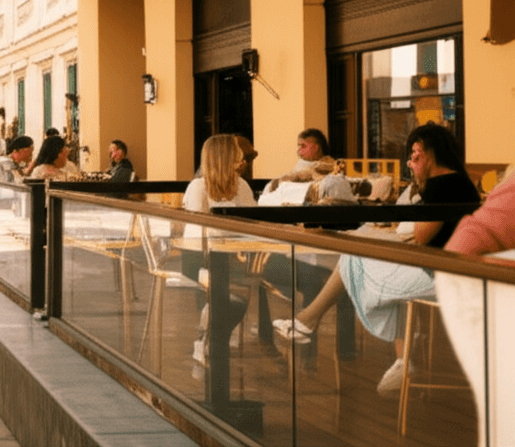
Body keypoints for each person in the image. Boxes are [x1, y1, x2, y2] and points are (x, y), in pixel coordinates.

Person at [272, 123, 480, 395]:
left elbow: (421, 235)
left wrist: (421, 191)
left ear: (431, 154)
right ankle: (401, 359)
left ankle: (309, 321)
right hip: (450, 269)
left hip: (441, 274)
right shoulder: (459, 181)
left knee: (354, 257)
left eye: (415, 155)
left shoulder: (440, 186)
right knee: (360, 255)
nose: (411, 162)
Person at [182, 134, 257, 367]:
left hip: (230, 256)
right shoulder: (197, 187)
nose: (241, 156)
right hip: (200, 258)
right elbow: (199, 230)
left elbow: (251, 223)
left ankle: (210, 339)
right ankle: (213, 342)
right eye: (237, 151)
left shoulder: (241, 185)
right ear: (226, 156)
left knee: (239, 295)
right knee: (228, 296)